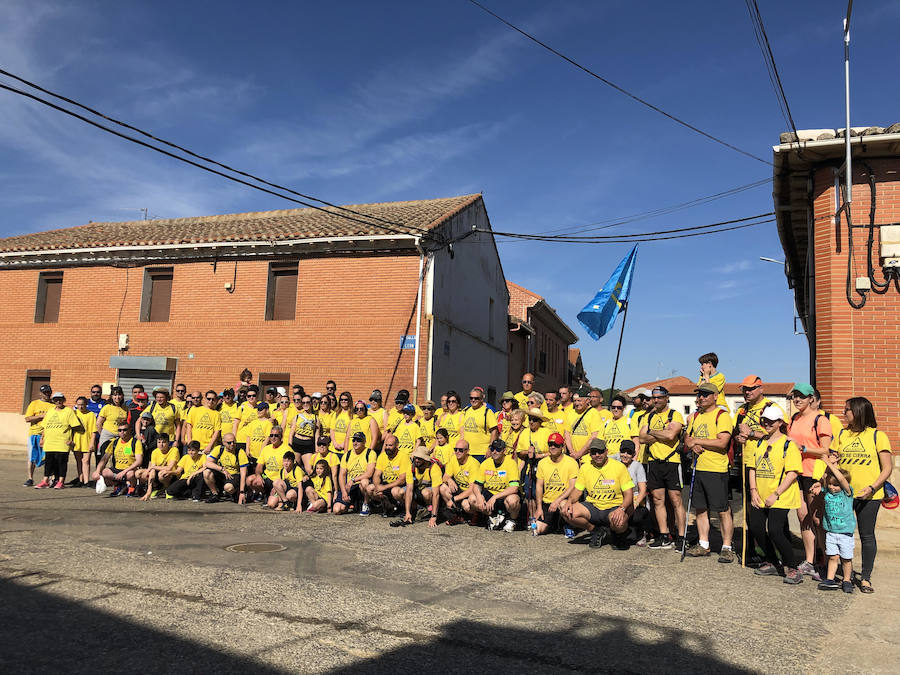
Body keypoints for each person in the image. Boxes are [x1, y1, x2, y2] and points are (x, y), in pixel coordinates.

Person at [834, 396, 893, 594]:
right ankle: (845, 575)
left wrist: (872, 487)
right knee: (842, 535)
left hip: (870, 496)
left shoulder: (878, 436)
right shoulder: (842, 434)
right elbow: (835, 463)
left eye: (847, 410)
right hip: (844, 495)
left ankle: (866, 577)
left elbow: (887, 468)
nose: (844, 413)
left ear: (858, 411)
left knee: (867, 535)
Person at [746, 406, 803, 584]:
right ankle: (771, 560)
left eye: (771, 420)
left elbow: (792, 473)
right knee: (756, 528)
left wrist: (776, 494)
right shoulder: (759, 442)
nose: (766, 423)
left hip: (781, 495)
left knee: (776, 531)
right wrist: (753, 491)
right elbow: (752, 468)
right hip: (760, 494)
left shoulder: (789, 444)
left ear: (780, 423)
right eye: (764, 419)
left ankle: (792, 567)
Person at [732, 375, 785, 565]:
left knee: (774, 513)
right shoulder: (741, 410)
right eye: (744, 389)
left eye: (752, 389)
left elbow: (781, 435)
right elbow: (738, 434)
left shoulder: (772, 408)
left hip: (771, 466)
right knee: (752, 510)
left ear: (761, 388)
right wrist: (740, 438)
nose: (747, 392)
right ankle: (756, 550)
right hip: (748, 464)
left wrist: (752, 433)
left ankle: (779, 552)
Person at [683, 383, 735, 562]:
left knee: (722, 509)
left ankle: (727, 546)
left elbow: (722, 442)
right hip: (698, 468)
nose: (701, 398)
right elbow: (687, 438)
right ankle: (703, 544)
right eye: (700, 395)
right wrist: (693, 443)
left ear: (715, 396)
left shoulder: (722, 416)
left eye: (706, 394)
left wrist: (698, 441)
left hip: (716, 469)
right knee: (700, 508)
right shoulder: (696, 416)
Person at [787, 382, 832, 581]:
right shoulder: (794, 419)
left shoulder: (820, 420)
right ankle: (809, 560)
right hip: (796, 472)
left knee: (816, 519)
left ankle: (825, 560)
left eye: (801, 397)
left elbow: (825, 450)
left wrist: (803, 448)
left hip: (813, 473)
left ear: (811, 398)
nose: (797, 400)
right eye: (795, 396)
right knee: (803, 516)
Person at [637, 386, 686, 550]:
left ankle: (680, 536)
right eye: (654, 397)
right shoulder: (648, 416)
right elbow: (642, 438)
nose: (656, 400)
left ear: (667, 398)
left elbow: (672, 435)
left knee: (676, 500)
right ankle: (663, 535)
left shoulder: (675, 414)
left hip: (672, 462)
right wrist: (661, 432)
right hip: (654, 462)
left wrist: (653, 432)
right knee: (658, 500)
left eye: (659, 397)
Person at [562, 438, 634, 549]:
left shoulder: (619, 467)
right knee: (564, 507)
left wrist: (622, 509)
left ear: (606, 451)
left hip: (613, 507)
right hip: (593, 507)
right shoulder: (585, 467)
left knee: (619, 523)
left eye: (600, 451)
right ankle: (595, 530)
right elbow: (577, 490)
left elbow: (629, 494)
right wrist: (569, 502)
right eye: (593, 452)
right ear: (589, 453)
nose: (597, 455)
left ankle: (617, 534)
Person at [818, 456, 855, 593]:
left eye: (836, 485)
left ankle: (846, 580)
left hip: (845, 532)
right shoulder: (827, 491)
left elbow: (842, 479)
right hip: (831, 532)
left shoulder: (847, 493)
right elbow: (825, 477)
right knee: (833, 557)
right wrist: (829, 465)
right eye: (831, 484)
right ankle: (830, 579)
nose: (833, 487)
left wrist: (829, 463)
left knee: (846, 559)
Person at [534, 432, 579, 535]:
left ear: (562, 446)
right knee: (538, 529)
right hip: (547, 502)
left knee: (563, 505)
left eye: (556, 445)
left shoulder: (571, 462)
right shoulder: (542, 463)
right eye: (550, 445)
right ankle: (554, 524)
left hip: (563, 501)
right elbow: (539, 486)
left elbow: (573, 486)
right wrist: (539, 507)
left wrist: (557, 501)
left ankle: (568, 524)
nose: (553, 447)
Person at [472, 438, 521, 532]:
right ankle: (494, 517)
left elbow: (514, 488)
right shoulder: (485, 463)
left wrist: (495, 497)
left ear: (504, 451)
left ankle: (512, 520)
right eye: (492, 449)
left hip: (504, 495)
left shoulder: (511, 463)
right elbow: (476, 485)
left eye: (498, 449)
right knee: (472, 499)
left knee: (513, 500)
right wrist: (479, 497)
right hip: (490, 494)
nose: (494, 452)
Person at [35, 392, 82, 489]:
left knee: (61, 463)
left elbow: (75, 427)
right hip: (49, 442)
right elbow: (45, 426)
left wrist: (72, 440)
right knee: (48, 463)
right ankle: (45, 481)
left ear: (63, 400)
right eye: (56, 399)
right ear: (53, 401)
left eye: (60, 399)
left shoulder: (68, 411)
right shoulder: (50, 411)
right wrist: (42, 438)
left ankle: (61, 482)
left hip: (62, 442)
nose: (58, 401)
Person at [93, 421, 143, 497]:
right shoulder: (114, 442)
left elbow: (139, 461)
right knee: (104, 472)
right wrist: (97, 471)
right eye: (120, 430)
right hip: (117, 469)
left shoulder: (135, 442)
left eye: (124, 430)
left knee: (130, 474)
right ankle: (119, 485)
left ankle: (132, 487)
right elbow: (104, 458)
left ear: (130, 430)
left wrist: (124, 472)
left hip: (129, 469)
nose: (122, 432)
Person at [395, 447, 442, 528]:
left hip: (429, 493)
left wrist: (434, 516)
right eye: (416, 458)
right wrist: (407, 512)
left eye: (420, 458)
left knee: (426, 493)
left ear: (426, 459)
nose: (416, 460)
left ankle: (429, 510)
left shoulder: (434, 468)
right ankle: (415, 509)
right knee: (397, 491)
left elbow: (436, 494)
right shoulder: (411, 467)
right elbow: (409, 491)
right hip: (417, 491)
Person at [366, 434, 411, 517]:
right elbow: (376, 475)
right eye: (386, 445)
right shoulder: (382, 456)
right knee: (370, 489)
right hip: (386, 484)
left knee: (396, 492)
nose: (387, 447)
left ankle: (403, 508)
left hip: (399, 485)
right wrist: (377, 486)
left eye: (390, 445)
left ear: (397, 445)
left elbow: (402, 480)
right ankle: (388, 506)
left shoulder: (403, 456)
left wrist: (384, 488)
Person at [439, 440, 482, 524]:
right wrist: (449, 480)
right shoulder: (453, 458)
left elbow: (472, 489)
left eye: (461, 450)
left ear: (467, 451)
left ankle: (470, 516)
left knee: (466, 505)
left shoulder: (473, 464)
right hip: (459, 489)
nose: (457, 452)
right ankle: (456, 514)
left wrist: (454, 499)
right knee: (443, 488)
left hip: (470, 492)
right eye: (456, 449)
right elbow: (445, 477)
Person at [334, 432, 377, 515]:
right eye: (354, 440)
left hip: (361, 485)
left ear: (364, 442)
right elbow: (342, 475)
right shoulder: (347, 455)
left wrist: (353, 480)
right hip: (350, 487)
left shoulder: (370, 453)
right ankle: (353, 503)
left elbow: (369, 473)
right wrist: (343, 492)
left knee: (364, 482)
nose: (355, 443)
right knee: (337, 510)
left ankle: (365, 504)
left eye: (359, 440)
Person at [618, 441, 651, 545]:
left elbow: (643, 490)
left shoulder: (637, 466)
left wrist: (636, 503)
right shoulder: (616, 465)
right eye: (623, 452)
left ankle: (642, 533)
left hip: (636, 500)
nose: (625, 455)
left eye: (629, 453)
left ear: (633, 455)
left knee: (636, 515)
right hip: (620, 499)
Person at [203, 433, 249, 504]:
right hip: (222, 473)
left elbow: (243, 473)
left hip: (234, 475)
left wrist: (242, 492)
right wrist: (222, 469)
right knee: (206, 472)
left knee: (228, 487)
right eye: (229, 443)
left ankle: (235, 492)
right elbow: (207, 463)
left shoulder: (240, 452)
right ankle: (215, 494)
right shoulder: (219, 449)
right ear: (223, 443)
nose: (232, 444)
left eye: (234, 442)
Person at [24, 383, 54, 486]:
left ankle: (49, 479)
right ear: (40, 393)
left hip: (48, 434)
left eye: (48, 392)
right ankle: (30, 478)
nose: (47, 394)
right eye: (45, 392)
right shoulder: (34, 404)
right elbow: (27, 418)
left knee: (49, 457)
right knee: (32, 457)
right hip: (35, 433)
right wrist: (42, 416)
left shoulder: (54, 405)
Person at [565, 387, 604, 463]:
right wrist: (572, 453)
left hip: (587, 458)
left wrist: (580, 453)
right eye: (575, 401)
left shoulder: (594, 413)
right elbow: (567, 435)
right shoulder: (570, 413)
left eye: (579, 400)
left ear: (587, 401)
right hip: (572, 457)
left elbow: (594, 436)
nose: (576, 403)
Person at [248, 426, 287, 501]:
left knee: (271, 504)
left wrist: (278, 486)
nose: (273, 438)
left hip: (279, 480)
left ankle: (276, 496)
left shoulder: (286, 449)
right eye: (271, 435)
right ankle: (265, 493)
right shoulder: (266, 449)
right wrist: (259, 475)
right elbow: (259, 466)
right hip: (267, 478)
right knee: (250, 480)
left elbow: (289, 471)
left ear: (281, 437)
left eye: (276, 435)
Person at [137, 434, 179, 500]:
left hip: (171, 475)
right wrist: (149, 491)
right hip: (158, 474)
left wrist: (152, 467)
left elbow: (169, 468)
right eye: (159, 442)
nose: (161, 444)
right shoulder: (155, 452)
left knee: (162, 474)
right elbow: (152, 470)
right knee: (138, 473)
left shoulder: (174, 450)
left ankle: (168, 490)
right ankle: (155, 488)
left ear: (168, 443)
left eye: (164, 442)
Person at [463, 388, 499, 461]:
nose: (473, 400)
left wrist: (490, 448)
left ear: (481, 399)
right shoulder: (466, 410)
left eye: (476, 398)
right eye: (471, 398)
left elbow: (494, 431)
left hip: (482, 453)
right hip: (467, 451)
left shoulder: (487, 412)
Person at [184, 390, 222, 456]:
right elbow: (189, 426)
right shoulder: (194, 409)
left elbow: (217, 431)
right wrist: (190, 442)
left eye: (213, 399)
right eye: (209, 399)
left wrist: (210, 446)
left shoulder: (217, 414)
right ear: (205, 399)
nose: (211, 401)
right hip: (194, 447)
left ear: (216, 400)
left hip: (207, 448)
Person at [70, 396, 97, 487]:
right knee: (78, 461)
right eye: (78, 405)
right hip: (76, 440)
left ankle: (86, 481)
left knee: (86, 461)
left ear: (86, 405)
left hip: (87, 440)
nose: (80, 407)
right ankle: (80, 480)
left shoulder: (91, 414)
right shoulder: (74, 413)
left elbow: (94, 430)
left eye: (82, 405)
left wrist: (92, 442)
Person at [290, 394, 318, 474]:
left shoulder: (315, 418)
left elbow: (316, 435)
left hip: (308, 445)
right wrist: (290, 444)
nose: (305, 404)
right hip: (296, 443)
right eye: (303, 402)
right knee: (296, 468)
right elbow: (292, 432)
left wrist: (316, 450)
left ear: (311, 403)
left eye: (308, 402)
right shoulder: (297, 416)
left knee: (309, 470)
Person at [602, 395, 636, 460]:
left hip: (624, 457)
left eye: (619, 407)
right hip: (608, 458)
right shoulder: (606, 423)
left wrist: (633, 461)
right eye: (613, 407)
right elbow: (601, 442)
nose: (616, 409)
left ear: (623, 408)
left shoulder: (630, 422)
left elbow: (636, 443)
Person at [244, 402, 274, 472]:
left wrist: (262, 451)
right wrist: (247, 449)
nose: (259, 411)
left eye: (261, 409)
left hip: (261, 454)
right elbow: (248, 437)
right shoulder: (253, 423)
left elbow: (267, 438)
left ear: (267, 410)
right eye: (258, 409)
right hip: (252, 453)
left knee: (259, 471)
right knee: (251, 472)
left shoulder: (268, 423)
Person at [233, 385, 260, 452]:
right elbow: (235, 424)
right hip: (241, 439)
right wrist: (233, 438)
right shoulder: (242, 407)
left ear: (257, 396)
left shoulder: (260, 408)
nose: (251, 397)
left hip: (254, 440)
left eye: (253, 395)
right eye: (249, 396)